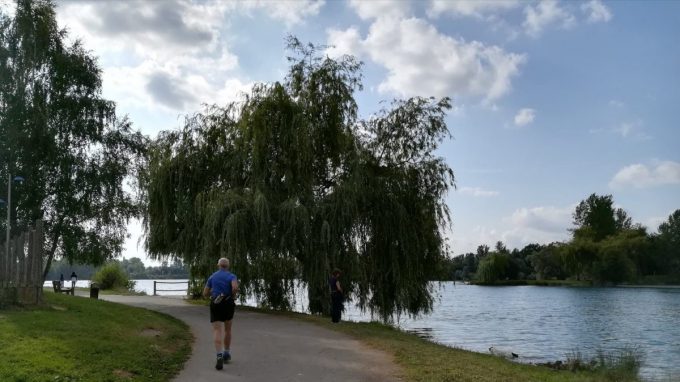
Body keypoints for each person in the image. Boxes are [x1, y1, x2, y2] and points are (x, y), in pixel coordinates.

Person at [203, 257, 238, 370]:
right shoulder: (232, 276)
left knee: (217, 330)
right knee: (228, 329)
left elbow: (205, 293)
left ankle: (219, 356)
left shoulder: (212, 277)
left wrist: (212, 293)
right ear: (227, 266)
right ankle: (226, 353)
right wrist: (232, 295)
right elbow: (235, 287)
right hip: (228, 303)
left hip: (216, 303)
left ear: (218, 265)